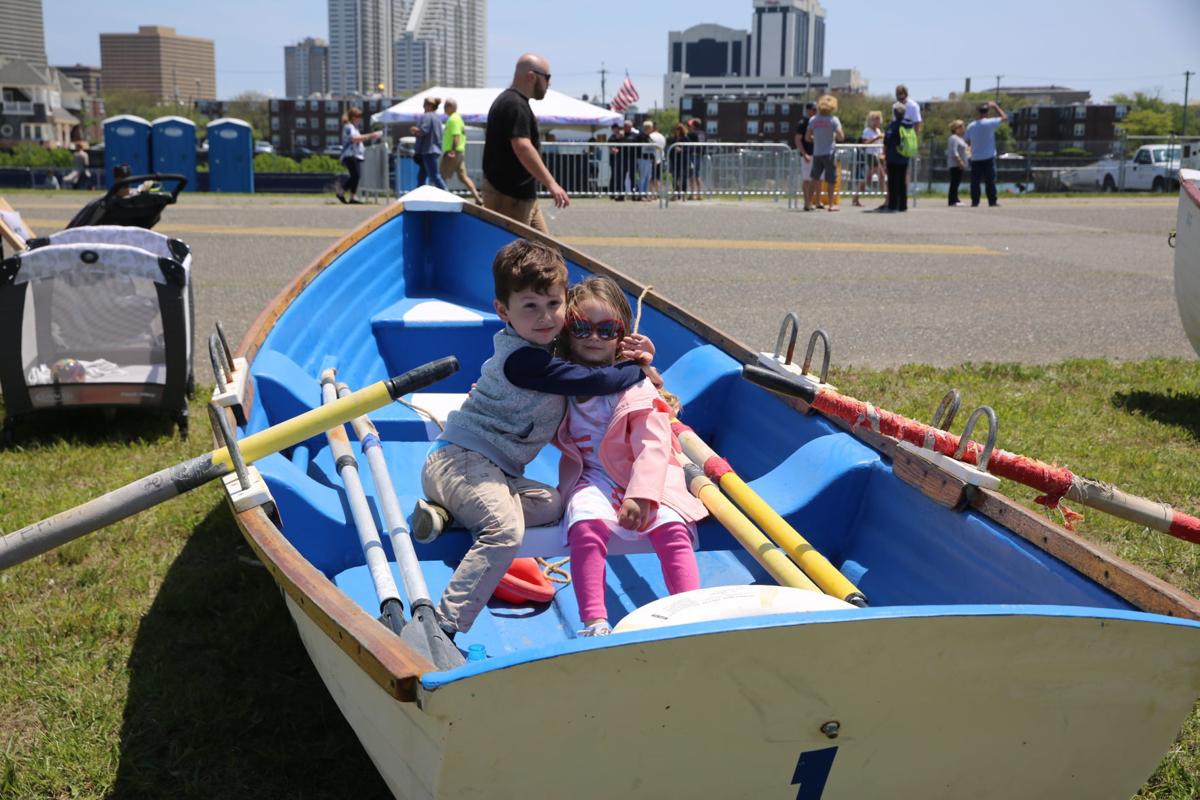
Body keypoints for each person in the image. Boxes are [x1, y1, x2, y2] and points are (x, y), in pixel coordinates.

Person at [413, 239, 655, 639]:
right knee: (504, 532)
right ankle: (442, 625)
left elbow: (593, 358)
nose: (545, 317)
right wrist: (637, 371)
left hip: (497, 472)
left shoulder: (546, 347)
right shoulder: (524, 359)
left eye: (554, 305)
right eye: (530, 306)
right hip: (461, 459)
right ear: (502, 311)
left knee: (552, 506)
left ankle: (447, 515)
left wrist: (640, 353)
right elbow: (597, 379)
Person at [553, 276, 707, 637]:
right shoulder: (560, 381)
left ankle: (692, 614)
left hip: (646, 476)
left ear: (621, 336)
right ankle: (594, 621)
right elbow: (524, 398)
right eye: (581, 327)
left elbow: (653, 445)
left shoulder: (634, 384)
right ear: (566, 331)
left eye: (606, 329)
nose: (593, 337)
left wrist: (642, 494)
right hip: (591, 476)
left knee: (672, 526)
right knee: (585, 524)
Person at [482, 53, 569, 232]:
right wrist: (551, 184)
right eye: (547, 77)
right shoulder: (515, 104)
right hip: (509, 198)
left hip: (521, 196)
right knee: (512, 255)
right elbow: (523, 147)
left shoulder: (511, 102)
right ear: (531, 76)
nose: (549, 83)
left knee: (546, 252)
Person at [438, 97, 483, 204]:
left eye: (445, 106)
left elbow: (456, 136)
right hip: (459, 152)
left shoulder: (453, 119)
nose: (444, 108)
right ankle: (477, 197)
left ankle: (442, 200)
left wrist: (452, 150)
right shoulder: (458, 118)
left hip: (452, 152)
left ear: (451, 107)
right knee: (463, 177)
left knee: (441, 177)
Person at [805, 94, 844, 212]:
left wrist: (816, 138)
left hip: (817, 153)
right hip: (829, 153)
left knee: (814, 178)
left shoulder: (813, 120)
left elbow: (807, 137)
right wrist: (832, 136)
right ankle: (831, 205)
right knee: (831, 179)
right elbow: (841, 137)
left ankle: (808, 203)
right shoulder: (833, 120)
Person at [965, 101, 1007, 208]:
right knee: (990, 181)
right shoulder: (990, 123)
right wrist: (996, 106)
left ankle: (975, 201)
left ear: (978, 112)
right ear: (987, 112)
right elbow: (1004, 117)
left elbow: (967, 141)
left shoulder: (971, 125)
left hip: (976, 157)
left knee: (975, 181)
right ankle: (992, 201)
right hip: (988, 156)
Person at [337, 107, 382, 204]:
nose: (359, 119)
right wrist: (371, 135)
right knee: (355, 175)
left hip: (356, 155)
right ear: (352, 117)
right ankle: (342, 192)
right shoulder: (349, 127)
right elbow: (354, 139)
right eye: (357, 116)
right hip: (350, 155)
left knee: (356, 176)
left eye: (359, 117)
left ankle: (352, 196)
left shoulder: (354, 128)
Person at [410, 96, 447, 190]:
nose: (423, 106)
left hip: (428, 150)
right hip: (434, 150)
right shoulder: (438, 118)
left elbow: (424, 130)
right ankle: (418, 197)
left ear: (429, 106)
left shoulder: (427, 116)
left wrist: (414, 130)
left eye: (424, 104)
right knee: (421, 177)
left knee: (435, 176)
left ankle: (448, 195)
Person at [882, 101, 911, 212]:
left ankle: (893, 205)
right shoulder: (909, 125)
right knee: (902, 181)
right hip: (904, 156)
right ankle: (903, 205)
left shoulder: (893, 125)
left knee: (893, 181)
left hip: (893, 157)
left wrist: (885, 153)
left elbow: (887, 141)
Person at [855, 110, 885, 207]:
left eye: (878, 119)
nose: (876, 122)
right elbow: (865, 144)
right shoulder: (867, 131)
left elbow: (880, 144)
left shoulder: (878, 131)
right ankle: (884, 196)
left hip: (878, 154)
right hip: (870, 155)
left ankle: (856, 197)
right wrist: (876, 138)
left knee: (881, 176)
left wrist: (883, 153)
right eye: (874, 119)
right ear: (870, 120)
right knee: (878, 175)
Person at [793, 101, 816, 210]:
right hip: (807, 154)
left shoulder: (817, 121)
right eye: (813, 109)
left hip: (817, 154)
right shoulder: (803, 122)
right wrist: (804, 154)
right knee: (806, 179)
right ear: (808, 110)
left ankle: (811, 202)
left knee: (814, 180)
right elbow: (798, 139)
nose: (815, 112)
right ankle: (806, 203)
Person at [946, 119, 969, 207]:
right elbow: (954, 151)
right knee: (954, 182)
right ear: (956, 128)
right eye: (962, 127)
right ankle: (952, 200)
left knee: (957, 182)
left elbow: (966, 149)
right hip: (955, 164)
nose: (964, 128)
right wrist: (959, 161)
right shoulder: (953, 138)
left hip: (960, 164)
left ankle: (956, 198)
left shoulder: (960, 138)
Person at [667, 122, 689, 200]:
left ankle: (683, 195)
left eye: (678, 129)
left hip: (683, 161)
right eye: (676, 130)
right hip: (674, 160)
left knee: (683, 177)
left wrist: (681, 150)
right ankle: (676, 194)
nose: (676, 131)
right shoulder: (674, 139)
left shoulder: (685, 138)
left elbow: (689, 148)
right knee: (674, 178)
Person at [644, 119, 666, 196]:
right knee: (658, 178)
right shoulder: (662, 136)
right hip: (661, 158)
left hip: (652, 159)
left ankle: (652, 194)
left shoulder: (650, 136)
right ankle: (658, 193)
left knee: (651, 178)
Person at [686, 118, 705, 199]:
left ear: (693, 125)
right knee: (697, 175)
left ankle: (692, 194)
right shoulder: (703, 133)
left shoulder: (691, 134)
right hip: (700, 155)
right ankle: (699, 194)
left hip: (692, 156)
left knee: (691, 175)